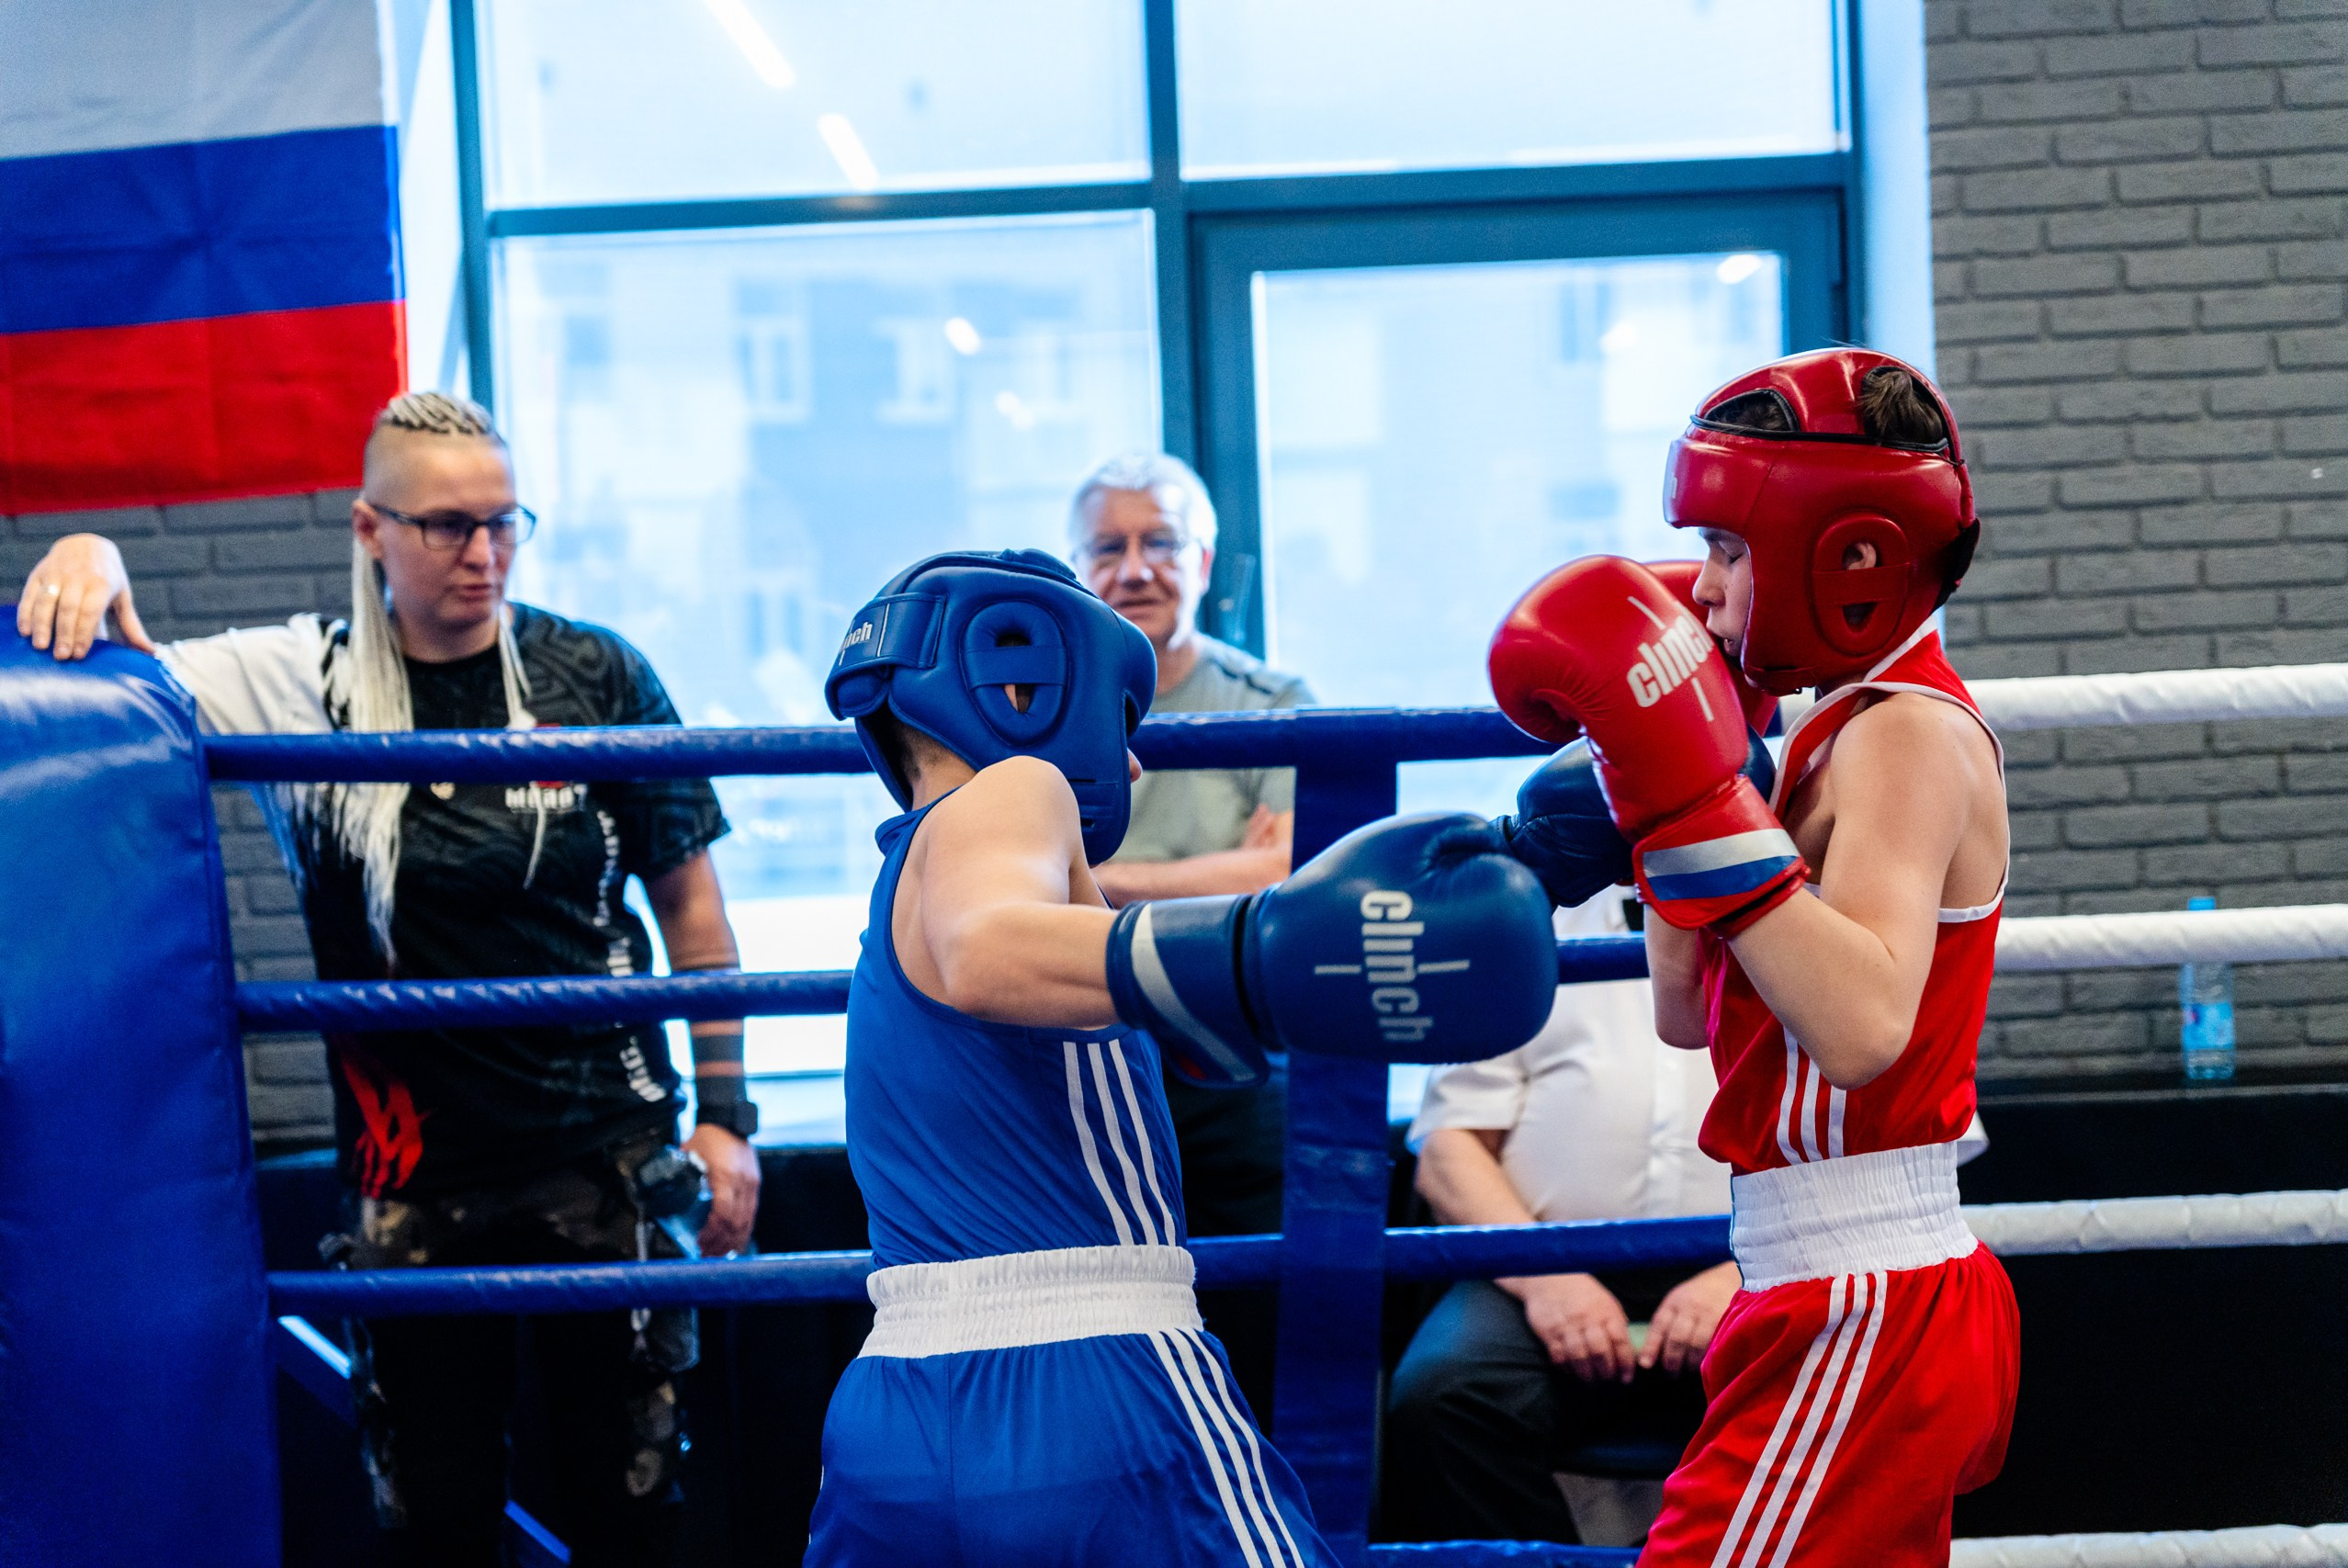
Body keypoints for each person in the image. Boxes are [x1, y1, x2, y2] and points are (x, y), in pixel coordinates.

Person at [14, 391, 762, 1568]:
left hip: (604, 1153)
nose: (484, 554)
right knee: (435, 1519)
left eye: (506, 522)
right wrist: (90, 547)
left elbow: (696, 918)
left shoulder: (597, 674)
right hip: (413, 1180)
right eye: (448, 527)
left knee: (632, 1508)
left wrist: (726, 1118)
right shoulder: (300, 680)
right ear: (371, 529)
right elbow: (129, 667)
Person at [805, 547, 1559, 1565]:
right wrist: (1259, 952)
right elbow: (987, 949)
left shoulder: (910, 875)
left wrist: (1544, 858)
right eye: (1120, 726)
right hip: (1094, 1384)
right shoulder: (1019, 791)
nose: (1130, 766)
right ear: (1020, 690)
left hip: (895, 1406)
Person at [1486, 348, 2019, 1567]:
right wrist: (1674, 767)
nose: (1709, 586)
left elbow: (1866, 1020)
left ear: (1852, 554)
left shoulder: (1905, 736)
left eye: (1731, 547)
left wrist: (1700, 805)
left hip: (1863, 1294)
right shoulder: (1823, 730)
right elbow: (1688, 1013)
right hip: (1817, 1277)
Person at [1072, 451, 1316, 1412]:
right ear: (1077, 566)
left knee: (1258, 1344)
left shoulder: (1275, 703)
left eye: (1160, 542)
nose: (1136, 569)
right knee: (1110, 1354)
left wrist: (1100, 882)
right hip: (1089, 1069)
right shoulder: (1039, 718)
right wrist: (1219, 884)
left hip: (1239, 1066)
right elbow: (1011, 893)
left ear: (1204, 560)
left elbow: (1290, 874)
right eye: (1109, 547)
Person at [1385, 891, 1737, 1547]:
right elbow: (1448, 1148)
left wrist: (1746, 1272)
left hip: (1753, 1263)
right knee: (1440, 1397)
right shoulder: (1518, 925)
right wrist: (1547, 1275)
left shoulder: (1793, 912)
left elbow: (1857, 1138)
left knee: (1844, 1383)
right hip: (1537, 1258)